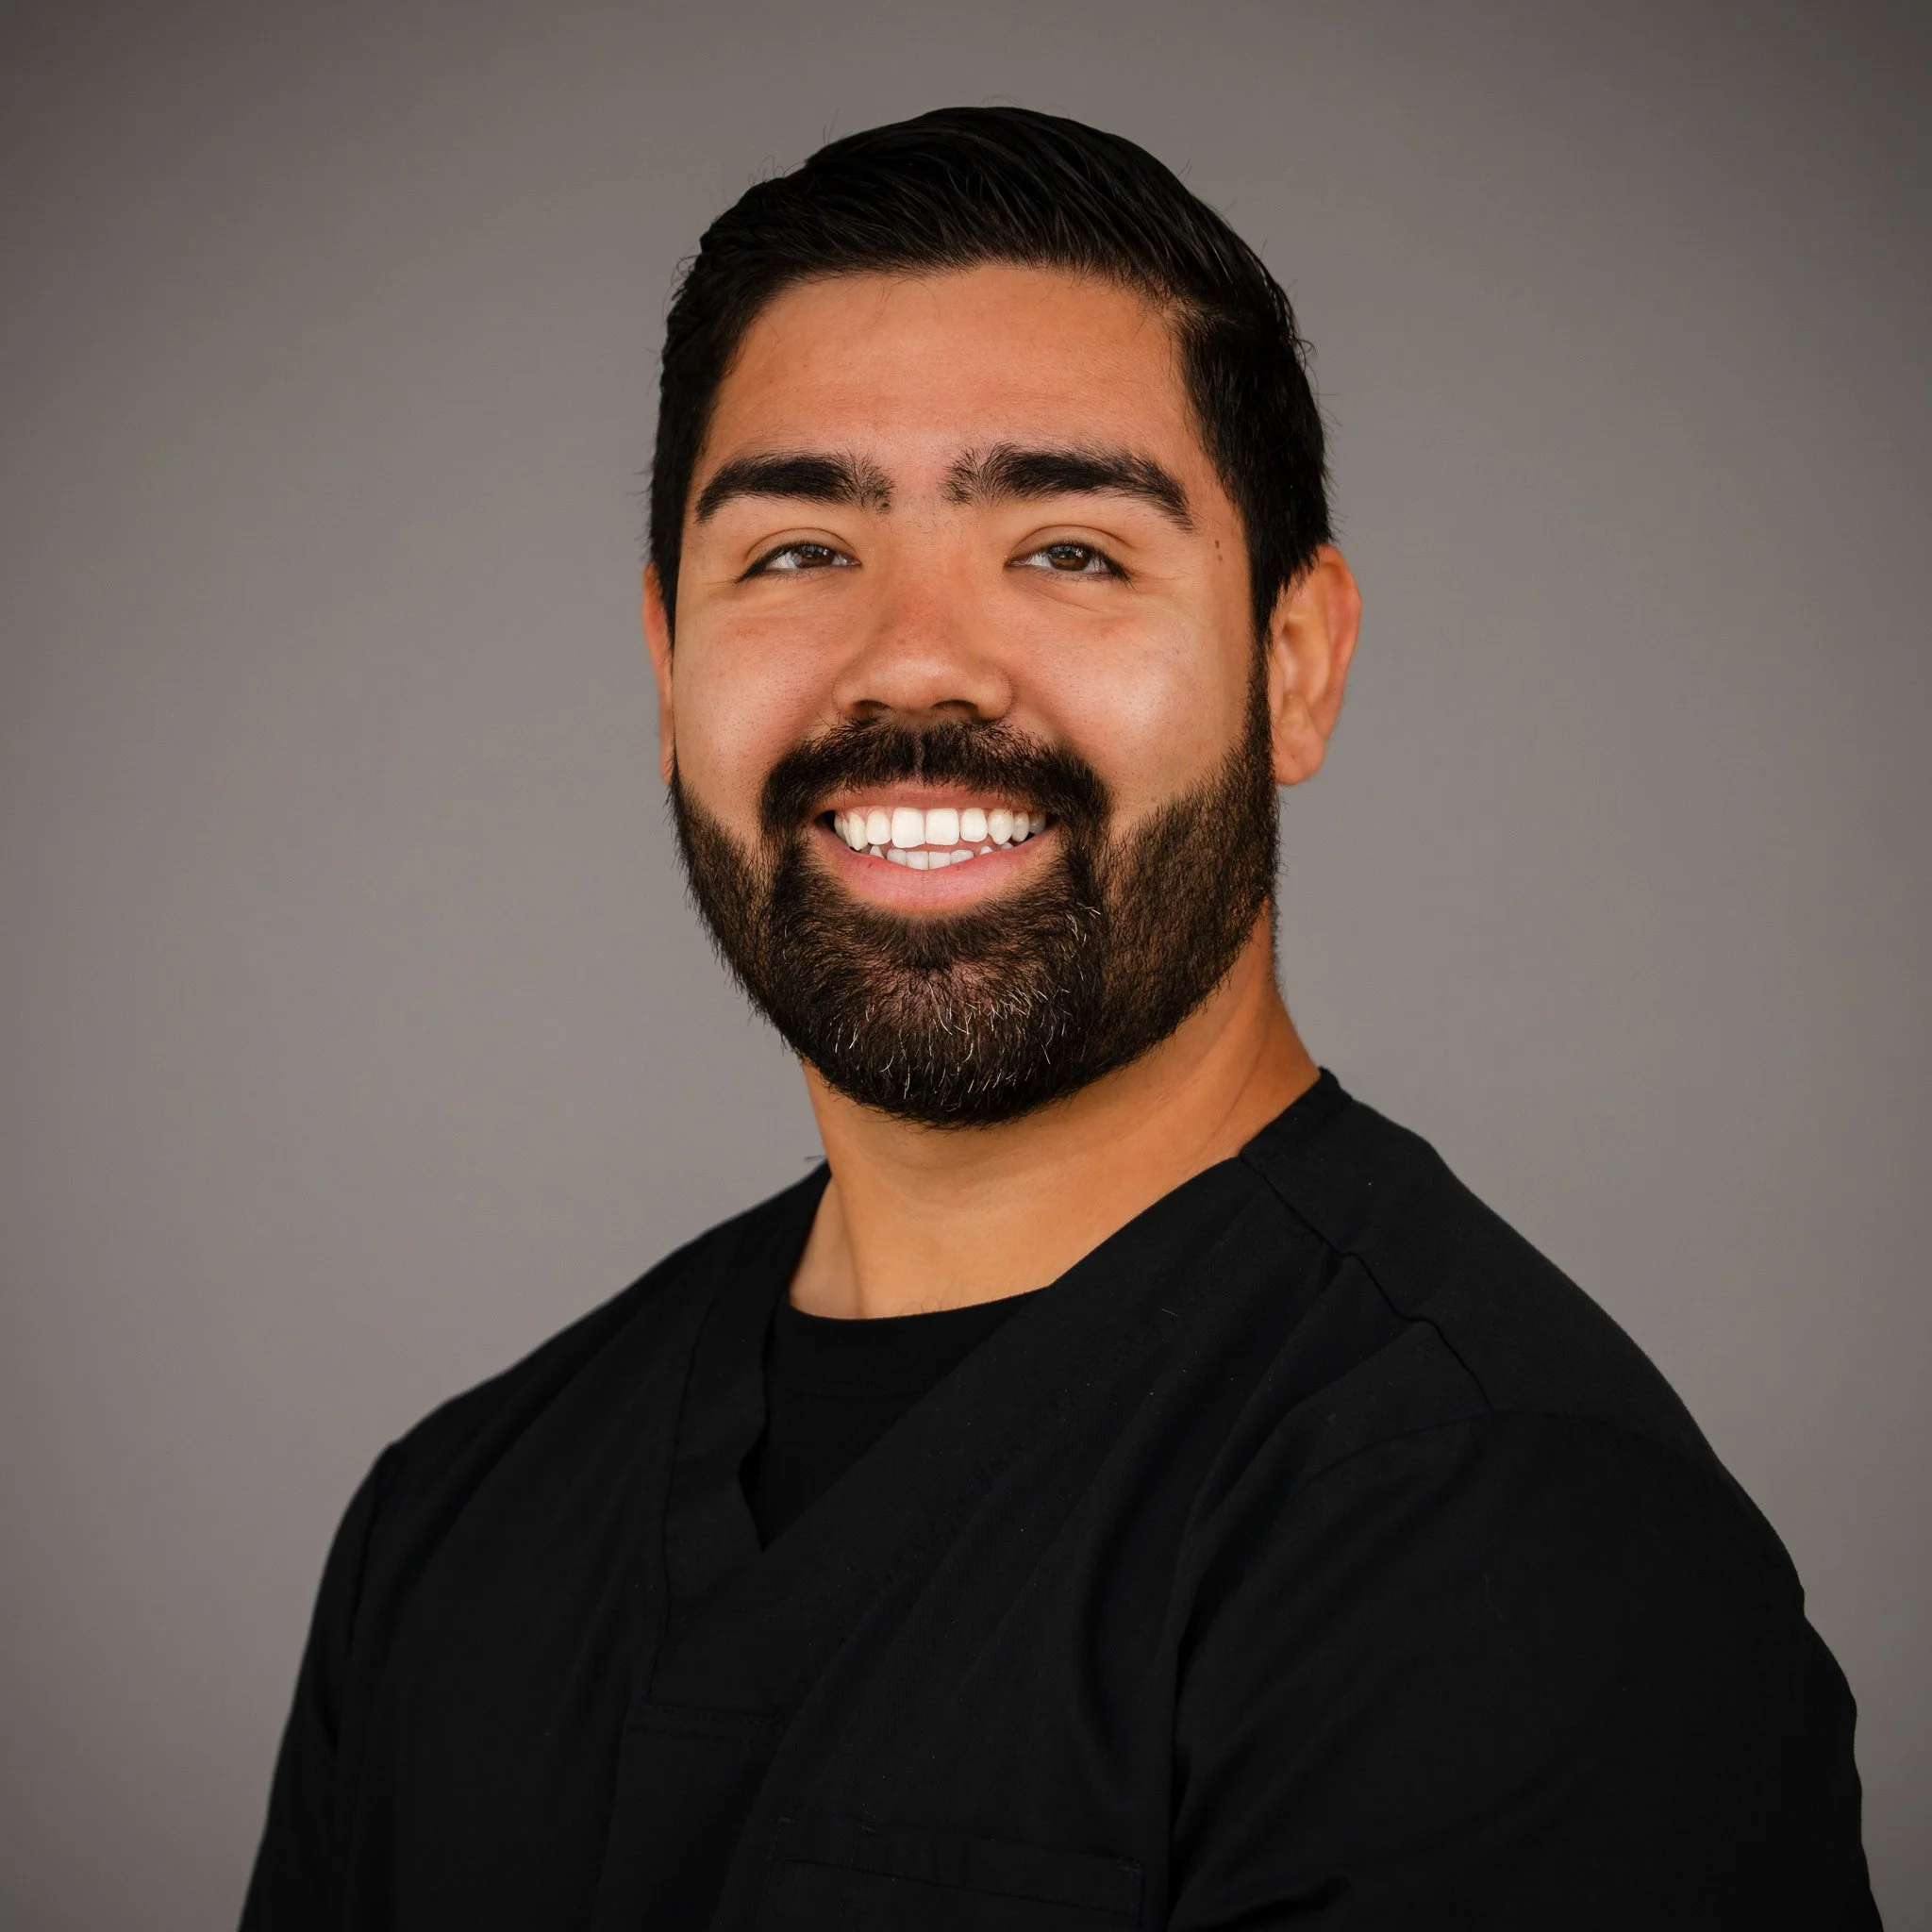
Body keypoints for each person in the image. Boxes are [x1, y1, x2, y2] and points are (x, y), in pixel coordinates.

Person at [241, 107, 1878, 1930]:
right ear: (665, 663)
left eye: (1072, 549)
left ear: (1295, 664)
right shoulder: (455, 1528)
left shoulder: (1514, 1559)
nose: (916, 659)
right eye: (795, 553)